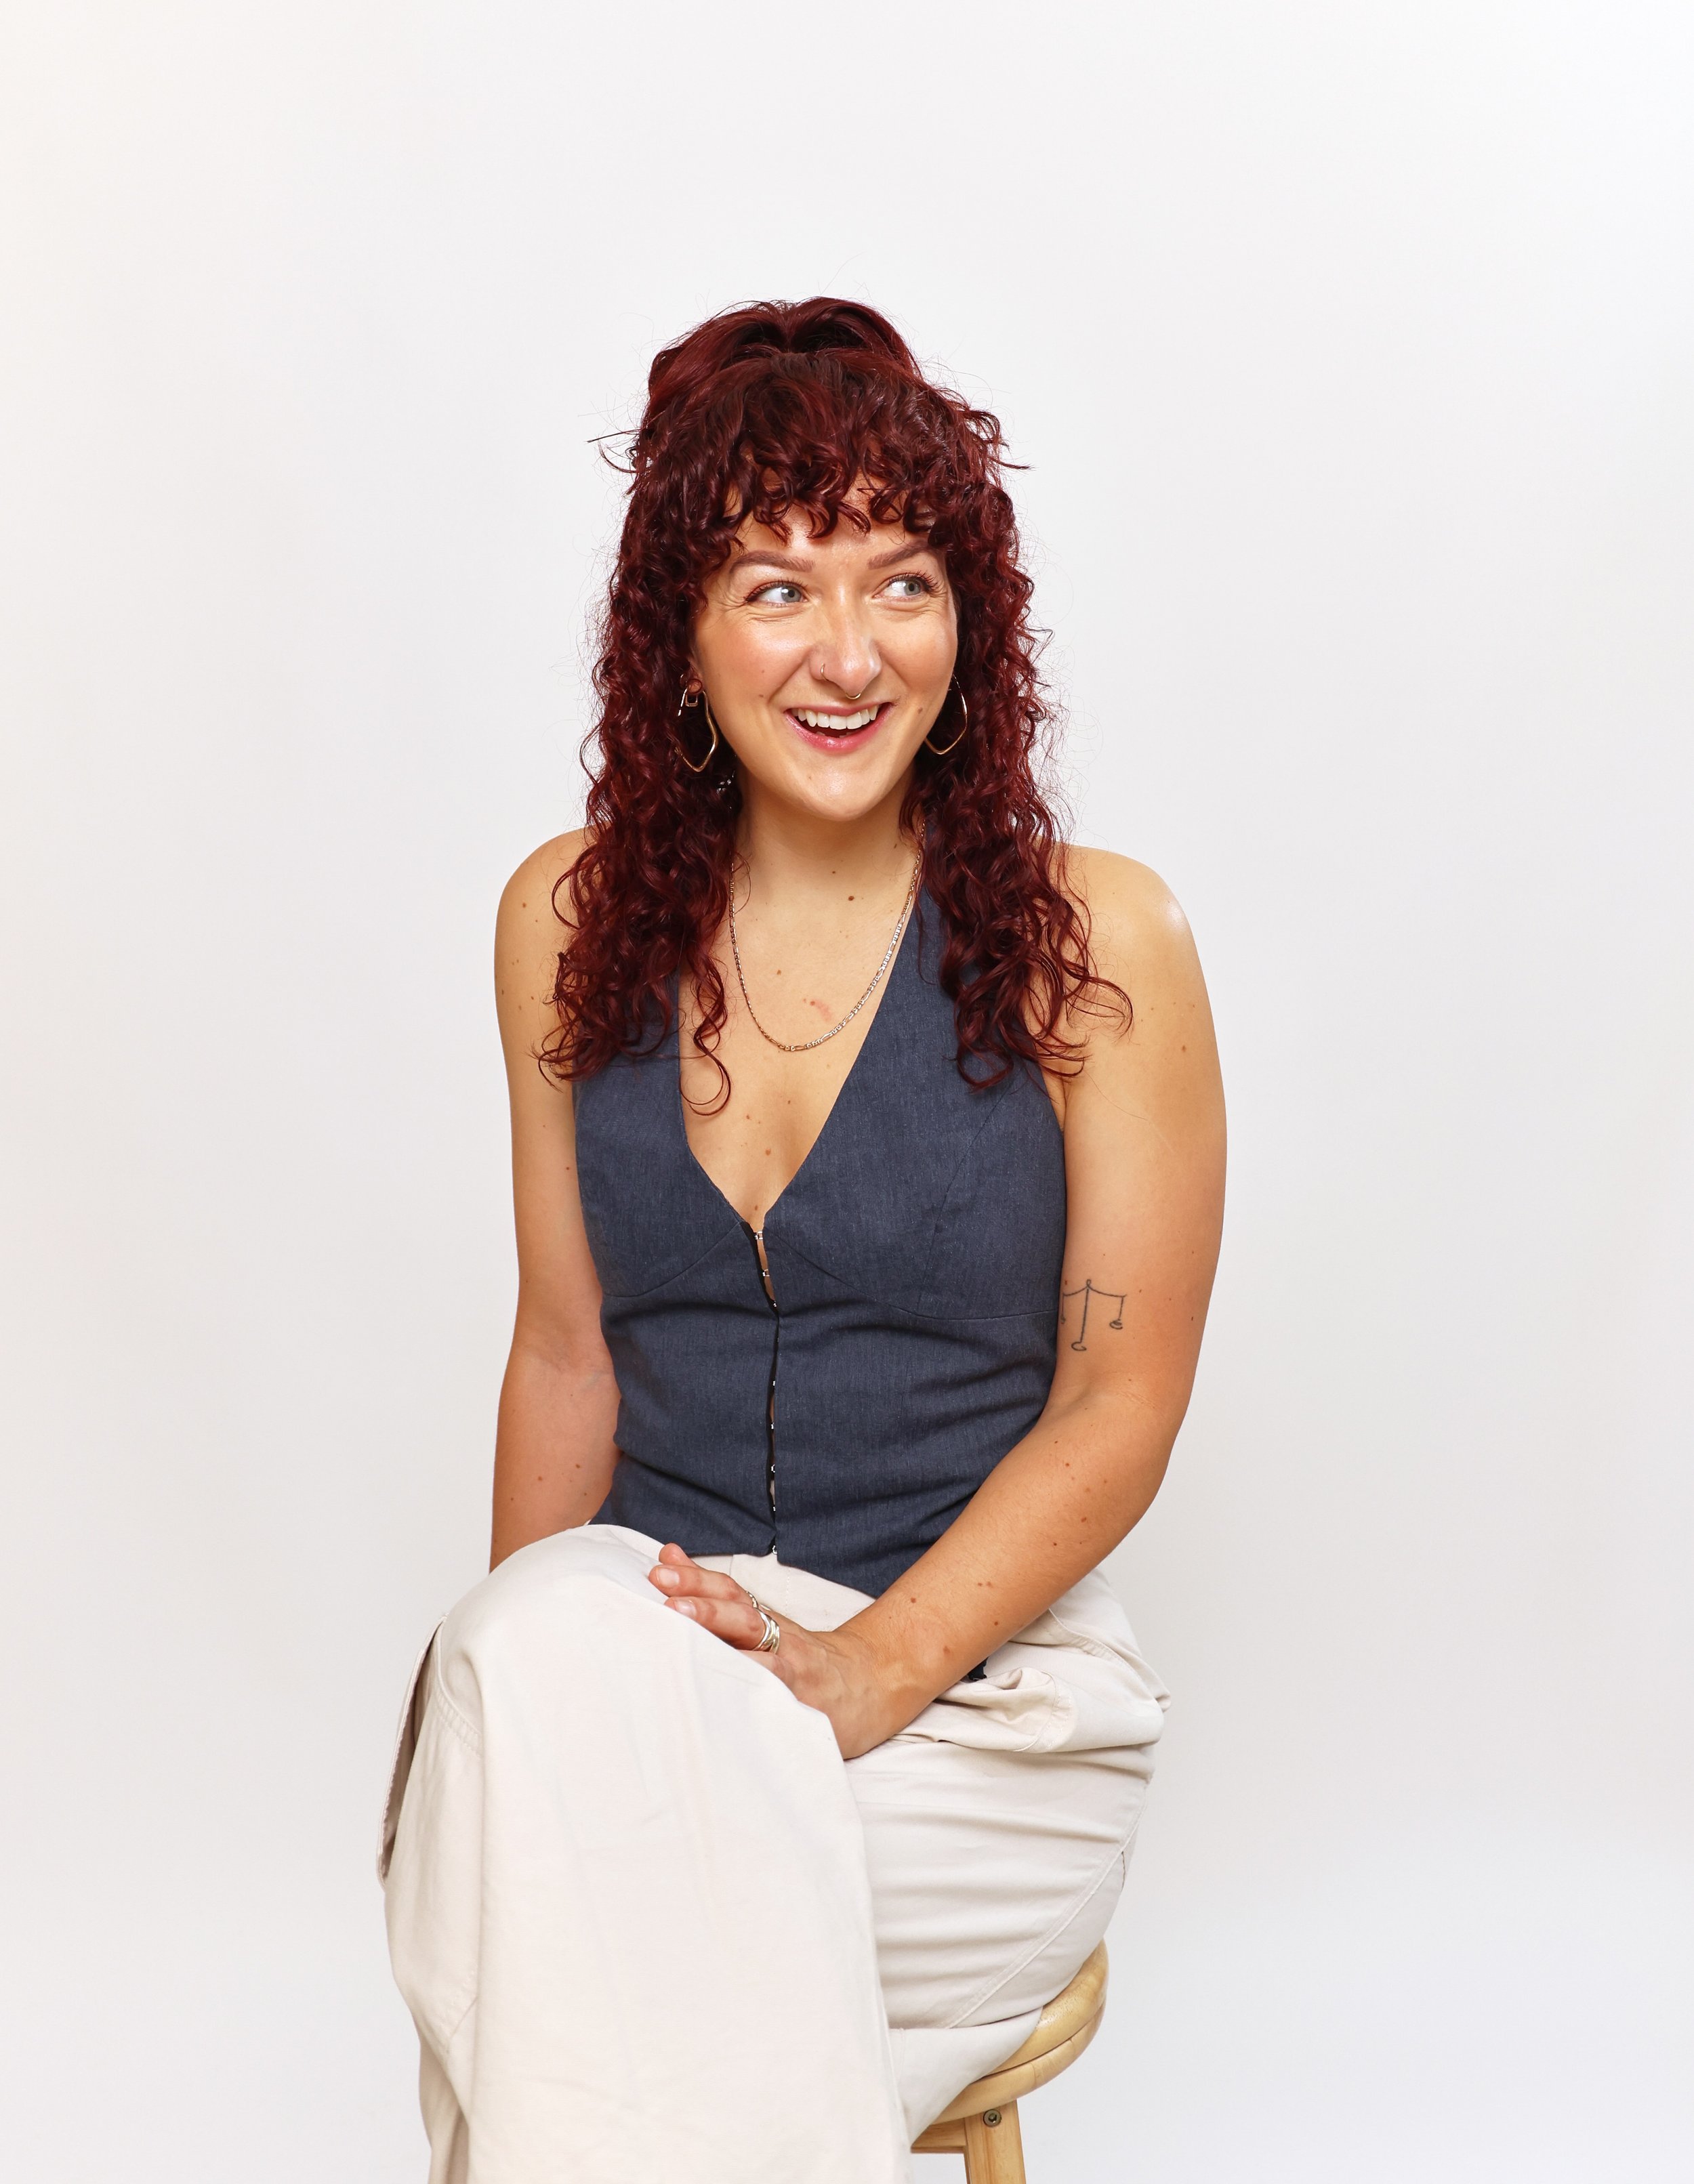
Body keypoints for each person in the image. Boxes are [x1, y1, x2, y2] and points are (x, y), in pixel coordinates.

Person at [380, 298, 1226, 2184]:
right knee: (533, 1755)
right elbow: (566, 1353)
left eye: (902, 583)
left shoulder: (1101, 946)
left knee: (567, 1948)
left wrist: (872, 1672)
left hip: (974, 1712)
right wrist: (538, 1700)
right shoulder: (563, 923)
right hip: (655, 1669)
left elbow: (1119, 1397)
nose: (848, 654)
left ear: (968, 627)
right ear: (676, 633)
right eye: (775, 587)